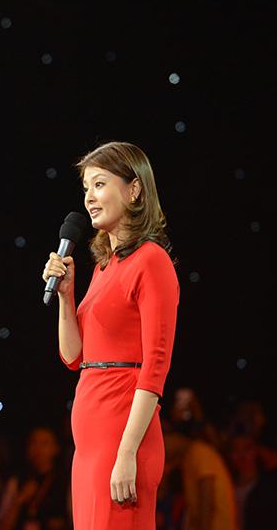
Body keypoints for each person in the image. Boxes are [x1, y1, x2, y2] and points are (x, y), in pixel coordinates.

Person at [41, 141, 181, 530]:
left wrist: (127, 452)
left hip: (121, 436)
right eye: (86, 187)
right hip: (89, 441)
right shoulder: (104, 267)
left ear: (134, 189)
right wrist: (66, 297)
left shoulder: (151, 260)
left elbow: (156, 364)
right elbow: (74, 357)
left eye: (100, 184)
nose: (89, 197)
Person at [162, 427, 237, 530]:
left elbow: (207, 491)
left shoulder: (199, 452)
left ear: (175, 436)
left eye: (163, 438)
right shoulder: (187, 458)